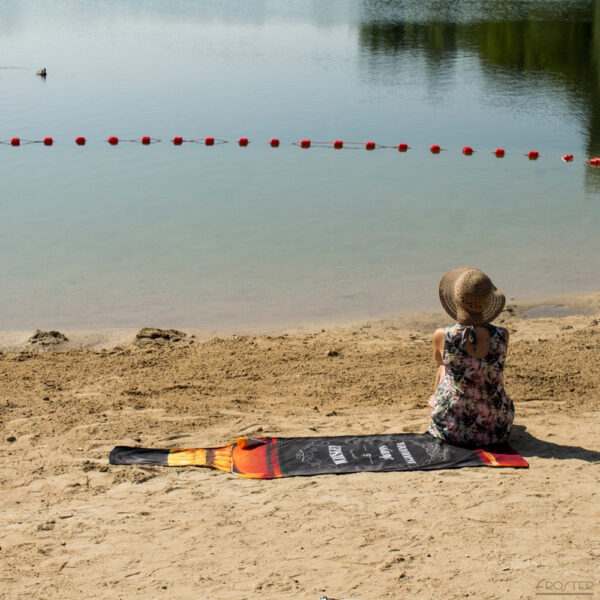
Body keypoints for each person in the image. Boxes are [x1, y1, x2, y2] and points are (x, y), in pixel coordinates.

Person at [428, 267, 514, 447]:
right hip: (496, 429)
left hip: (453, 429)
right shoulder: (501, 335)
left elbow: (439, 361)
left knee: (444, 366)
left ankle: (436, 402)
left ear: (457, 300)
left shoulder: (443, 335)